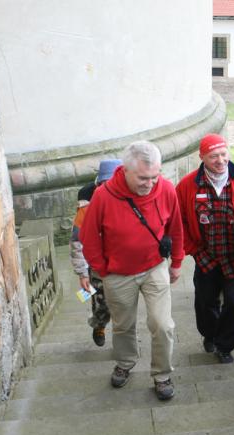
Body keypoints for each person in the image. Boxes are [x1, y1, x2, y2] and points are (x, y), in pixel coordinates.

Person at [79, 141, 184, 400]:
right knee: (123, 325)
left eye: (155, 176)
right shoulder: (103, 196)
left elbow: (176, 228)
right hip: (117, 274)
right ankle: (125, 362)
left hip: (154, 267)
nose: (150, 183)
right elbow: (88, 238)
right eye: (143, 178)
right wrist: (103, 270)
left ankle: (162, 374)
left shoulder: (166, 189)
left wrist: (177, 262)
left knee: (162, 324)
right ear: (125, 170)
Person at [176, 134, 234, 364]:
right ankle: (210, 334)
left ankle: (225, 346)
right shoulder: (187, 185)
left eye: (223, 154)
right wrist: (193, 250)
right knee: (205, 302)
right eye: (213, 156)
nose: (220, 160)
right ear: (202, 157)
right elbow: (178, 222)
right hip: (206, 257)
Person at [70, 158, 121, 347]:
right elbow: (77, 241)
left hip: (124, 264)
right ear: (98, 183)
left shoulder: (131, 198)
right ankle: (99, 325)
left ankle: (123, 336)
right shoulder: (86, 207)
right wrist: (82, 273)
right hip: (97, 265)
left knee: (122, 305)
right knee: (101, 302)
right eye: (104, 183)